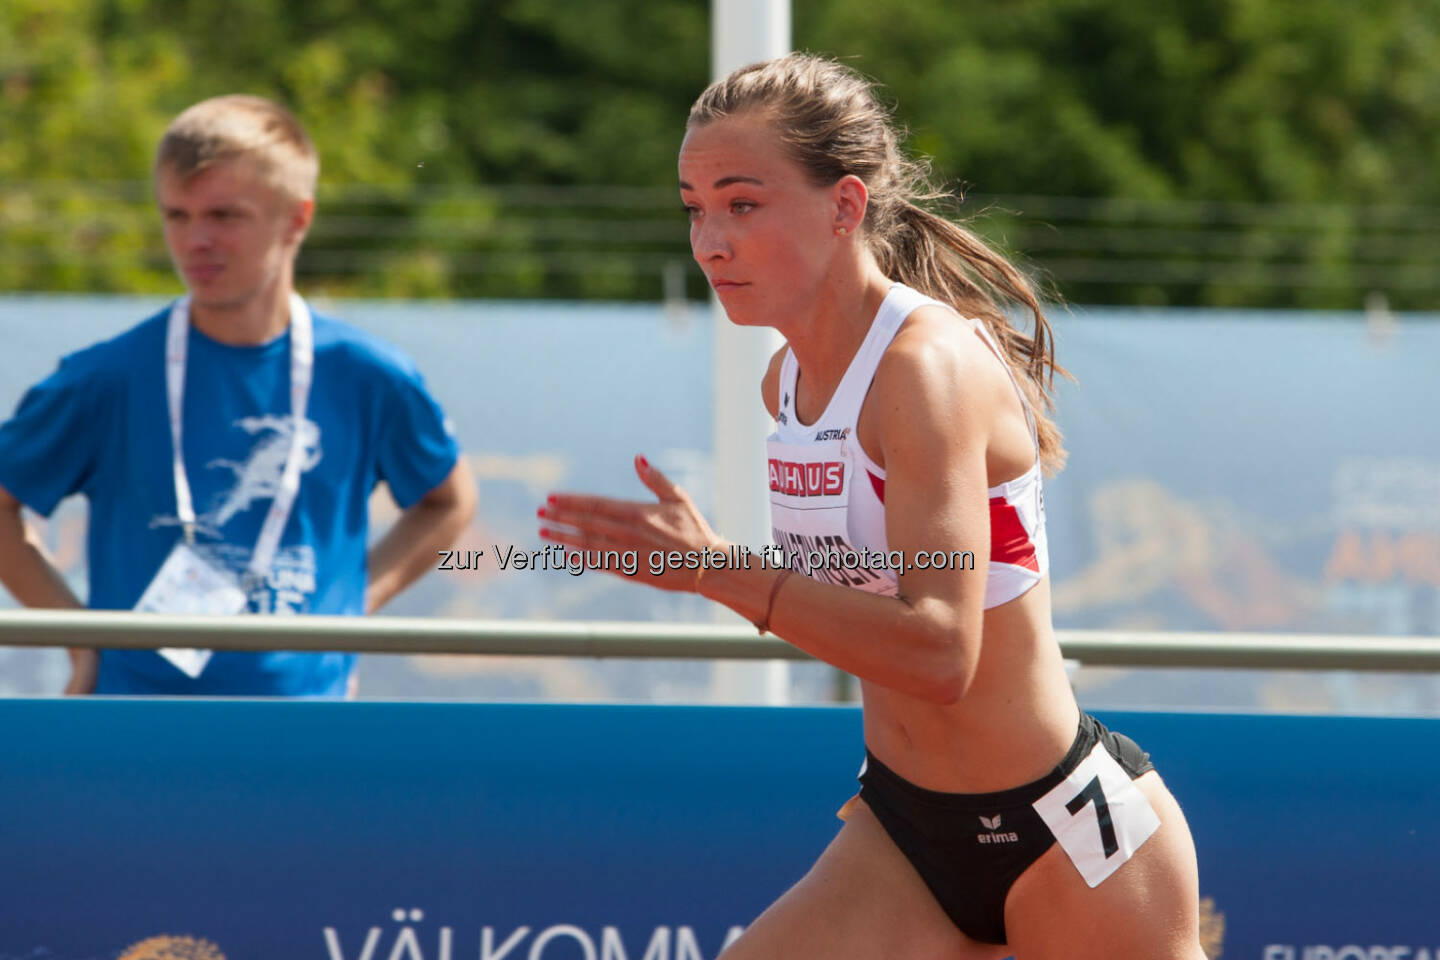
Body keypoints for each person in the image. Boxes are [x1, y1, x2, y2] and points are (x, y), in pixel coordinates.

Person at [539, 55, 1206, 959]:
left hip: (1064, 831)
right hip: (906, 831)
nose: (709, 242)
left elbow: (939, 650)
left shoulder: (922, 367)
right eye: (695, 207)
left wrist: (715, 570)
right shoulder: (787, 378)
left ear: (845, 205)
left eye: (742, 204)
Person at [0, 94, 476, 696]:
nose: (196, 239)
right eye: (176, 215)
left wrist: (353, 608)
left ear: (296, 219)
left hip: (306, 728)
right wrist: (78, 636)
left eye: (224, 216)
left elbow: (447, 501)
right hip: (136, 728)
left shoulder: (367, 373)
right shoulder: (107, 376)